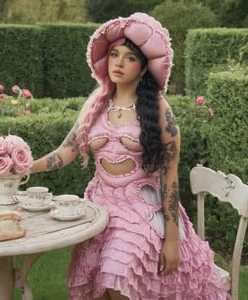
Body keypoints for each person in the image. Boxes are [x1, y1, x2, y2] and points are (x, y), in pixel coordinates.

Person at [30, 12, 228, 300]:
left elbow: (169, 177)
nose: (119, 63)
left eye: (129, 58)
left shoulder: (159, 110)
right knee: (98, 288)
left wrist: (171, 239)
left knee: (118, 275)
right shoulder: (95, 105)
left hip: (140, 211)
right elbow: (65, 152)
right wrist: (24, 166)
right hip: (99, 209)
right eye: (114, 54)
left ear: (144, 67)